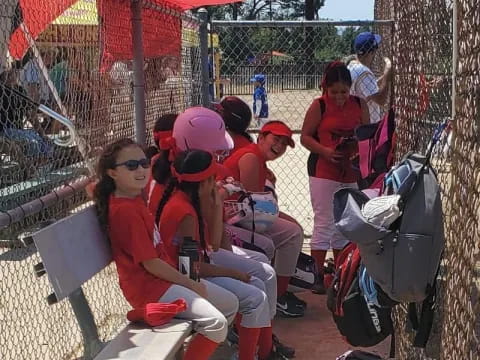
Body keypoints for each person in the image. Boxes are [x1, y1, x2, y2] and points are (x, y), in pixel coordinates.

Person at [148, 107, 295, 356]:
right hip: (180, 278)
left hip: (192, 267)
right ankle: (255, 350)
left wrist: (215, 204)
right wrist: (232, 272)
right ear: (200, 183)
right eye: (211, 181)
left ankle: (263, 348)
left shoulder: (189, 199)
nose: (217, 182)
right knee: (253, 295)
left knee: (258, 282)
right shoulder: (184, 210)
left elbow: (210, 247)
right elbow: (190, 269)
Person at [92, 138, 239, 360]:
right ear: (112, 173)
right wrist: (190, 283)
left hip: (164, 280)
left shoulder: (131, 197)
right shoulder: (125, 211)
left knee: (230, 303)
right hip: (149, 288)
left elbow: (94, 187)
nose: (140, 169)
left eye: (143, 163)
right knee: (215, 323)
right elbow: (150, 263)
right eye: (131, 166)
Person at [223, 121, 306, 317]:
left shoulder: (257, 158)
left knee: (291, 230)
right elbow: (254, 208)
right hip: (228, 221)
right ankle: (278, 297)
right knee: (290, 234)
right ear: (261, 137)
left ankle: (278, 293)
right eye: (276, 139)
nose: (279, 146)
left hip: (238, 217)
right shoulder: (251, 157)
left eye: (284, 144)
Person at [301, 61, 370, 294]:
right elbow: (305, 137)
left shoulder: (359, 105)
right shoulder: (319, 106)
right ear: (326, 89)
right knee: (324, 222)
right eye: (334, 92)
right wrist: (326, 151)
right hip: (324, 168)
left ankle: (340, 273)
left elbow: (366, 136)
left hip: (350, 169)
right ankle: (317, 275)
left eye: (344, 92)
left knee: (345, 223)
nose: (340, 97)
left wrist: (358, 151)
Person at [347, 32, 392, 124]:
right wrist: (387, 73)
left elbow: (368, 87)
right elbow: (381, 100)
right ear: (372, 52)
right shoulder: (365, 73)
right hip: (368, 125)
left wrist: (383, 77)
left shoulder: (351, 67)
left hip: (355, 120)